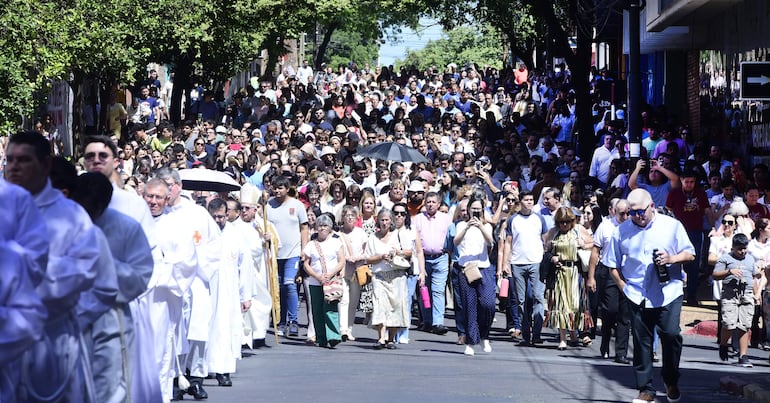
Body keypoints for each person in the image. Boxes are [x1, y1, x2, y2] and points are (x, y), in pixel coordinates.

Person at [4, 131, 101, 402]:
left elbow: (82, 271)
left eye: (23, 160)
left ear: (45, 165)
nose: (13, 167)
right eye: (9, 159)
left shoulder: (70, 216)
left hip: (51, 341)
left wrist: (16, 275)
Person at [69, 172, 156, 402]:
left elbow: (141, 276)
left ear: (104, 205)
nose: (89, 213)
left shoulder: (126, 227)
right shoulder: (66, 225)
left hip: (111, 318)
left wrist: (105, 263)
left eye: (93, 207)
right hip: (71, 319)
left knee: (111, 388)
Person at [603, 188, 695, 403]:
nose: (636, 216)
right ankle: (645, 389)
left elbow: (690, 253)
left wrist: (671, 259)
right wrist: (624, 287)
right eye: (631, 212)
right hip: (637, 293)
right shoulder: (621, 231)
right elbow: (612, 265)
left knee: (671, 335)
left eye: (640, 211)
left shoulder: (672, 226)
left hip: (668, 291)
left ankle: (671, 379)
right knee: (642, 341)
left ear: (652, 206)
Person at [141, 178, 199, 401]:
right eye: (150, 196)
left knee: (160, 350)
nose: (153, 201)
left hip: (161, 297)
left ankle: (160, 396)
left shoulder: (176, 225)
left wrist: (160, 270)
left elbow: (187, 261)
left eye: (158, 197)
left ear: (167, 199)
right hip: (135, 296)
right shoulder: (134, 221)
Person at [206, 198, 253, 386]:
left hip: (228, 291)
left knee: (225, 329)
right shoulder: (204, 233)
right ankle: (203, 368)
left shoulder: (235, 235)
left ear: (227, 215)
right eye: (214, 217)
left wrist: (246, 295)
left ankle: (223, 370)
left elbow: (245, 265)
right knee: (206, 329)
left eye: (221, 217)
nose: (218, 221)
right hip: (206, 290)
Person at [587, 199, 631, 363]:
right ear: (614, 212)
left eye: (628, 213)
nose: (625, 216)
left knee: (624, 315)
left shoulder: (633, 226)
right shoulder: (605, 226)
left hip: (628, 272)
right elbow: (595, 252)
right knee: (610, 310)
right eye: (622, 213)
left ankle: (621, 353)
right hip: (608, 271)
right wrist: (591, 277)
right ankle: (605, 344)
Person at [502, 190, 548, 345]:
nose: (529, 202)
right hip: (517, 263)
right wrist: (505, 263)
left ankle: (537, 333)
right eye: (526, 199)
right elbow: (508, 242)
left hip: (536, 262)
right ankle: (525, 334)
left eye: (531, 200)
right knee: (521, 300)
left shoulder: (539, 219)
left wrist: (546, 258)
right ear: (520, 201)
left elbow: (545, 239)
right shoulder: (513, 220)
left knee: (537, 298)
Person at [544, 207, 594, 350]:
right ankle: (562, 338)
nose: (564, 224)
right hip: (559, 272)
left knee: (575, 304)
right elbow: (546, 250)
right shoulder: (553, 232)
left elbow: (594, 244)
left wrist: (584, 245)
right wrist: (552, 258)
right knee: (560, 304)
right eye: (561, 222)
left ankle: (574, 332)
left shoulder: (578, 229)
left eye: (567, 221)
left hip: (575, 271)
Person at [267, 175, 309, 337]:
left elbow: (304, 228)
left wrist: (304, 249)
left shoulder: (297, 205)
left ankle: (293, 320)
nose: (277, 191)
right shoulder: (268, 206)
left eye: (281, 188)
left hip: (293, 252)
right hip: (274, 254)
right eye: (275, 188)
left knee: (290, 284)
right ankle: (280, 320)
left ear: (287, 189)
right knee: (278, 289)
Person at [454, 195, 495, 356]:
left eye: (479, 208)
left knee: (488, 304)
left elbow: (490, 241)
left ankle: (485, 335)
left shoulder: (487, 226)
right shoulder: (461, 225)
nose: (476, 211)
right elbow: (456, 242)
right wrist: (467, 227)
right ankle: (471, 342)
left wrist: (481, 227)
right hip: (466, 268)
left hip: (483, 267)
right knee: (469, 306)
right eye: (473, 208)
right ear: (469, 209)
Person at [365, 209, 411, 349]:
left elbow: (409, 252)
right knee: (380, 306)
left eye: (387, 220)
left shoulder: (398, 235)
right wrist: (380, 257)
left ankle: (391, 339)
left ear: (391, 221)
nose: (384, 223)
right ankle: (381, 338)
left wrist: (398, 252)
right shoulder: (373, 238)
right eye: (382, 220)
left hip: (396, 276)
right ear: (378, 221)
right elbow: (368, 258)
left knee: (395, 307)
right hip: (379, 276)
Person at [714, 233, 759, 367]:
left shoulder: (750, 259)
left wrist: (756, 295)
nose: (742, 251)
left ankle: (743, 355)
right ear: (733, 247)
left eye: (744, 248)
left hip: (747, 292)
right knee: (728, 323)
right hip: (730, 293)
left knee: (744, 325)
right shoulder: (725, 259)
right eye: (739, 248)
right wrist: (729, 271)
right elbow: (715, 275)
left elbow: (753, 277)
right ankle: (723, 344)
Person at [412, 191, 453, 335]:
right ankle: (427, 321)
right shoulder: (417, 219)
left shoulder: (446, 219)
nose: (430, 204)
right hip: (423, 258)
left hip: (440, 257)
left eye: (433, 202)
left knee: (438, 290)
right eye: (428, 202)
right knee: (424, 290)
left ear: (439, 204)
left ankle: (438, 322)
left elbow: (451, 238)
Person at [301, 214, 345, 348]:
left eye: (325, 226)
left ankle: (333, 336)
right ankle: (321, 338)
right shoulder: (311, 245)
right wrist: (317, 276)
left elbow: (341, 260)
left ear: (330, 228)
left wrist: (331, 274)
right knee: (317, 310)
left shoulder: (336, 242)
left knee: (331, 308)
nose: (323, 228)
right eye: (320, 226)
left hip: (331, 281)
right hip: (315, 282)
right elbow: (306, 264)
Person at [393, 201, 426, 344]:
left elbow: (419, 252)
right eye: (396, 213)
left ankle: (403, 333)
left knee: (406, 302)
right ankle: (391, 333)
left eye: (402, 213)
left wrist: (422, 272)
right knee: (394, 302)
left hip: (410, 271)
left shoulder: (412, 229)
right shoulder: (388, 229)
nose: (399, 216)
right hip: (393, 270)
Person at [338, 205, 368, 341]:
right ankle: (342, 328)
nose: (350, 218)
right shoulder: (338, 234)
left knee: (353, 301)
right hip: (343, 270)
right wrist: (345, 258)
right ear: (343, 218)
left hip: (357, 269)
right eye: (347, 215)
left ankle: (349, 328)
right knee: (344, 299)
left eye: (352, 216)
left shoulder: (361, 233)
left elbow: (367, 252)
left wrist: (358, 258)